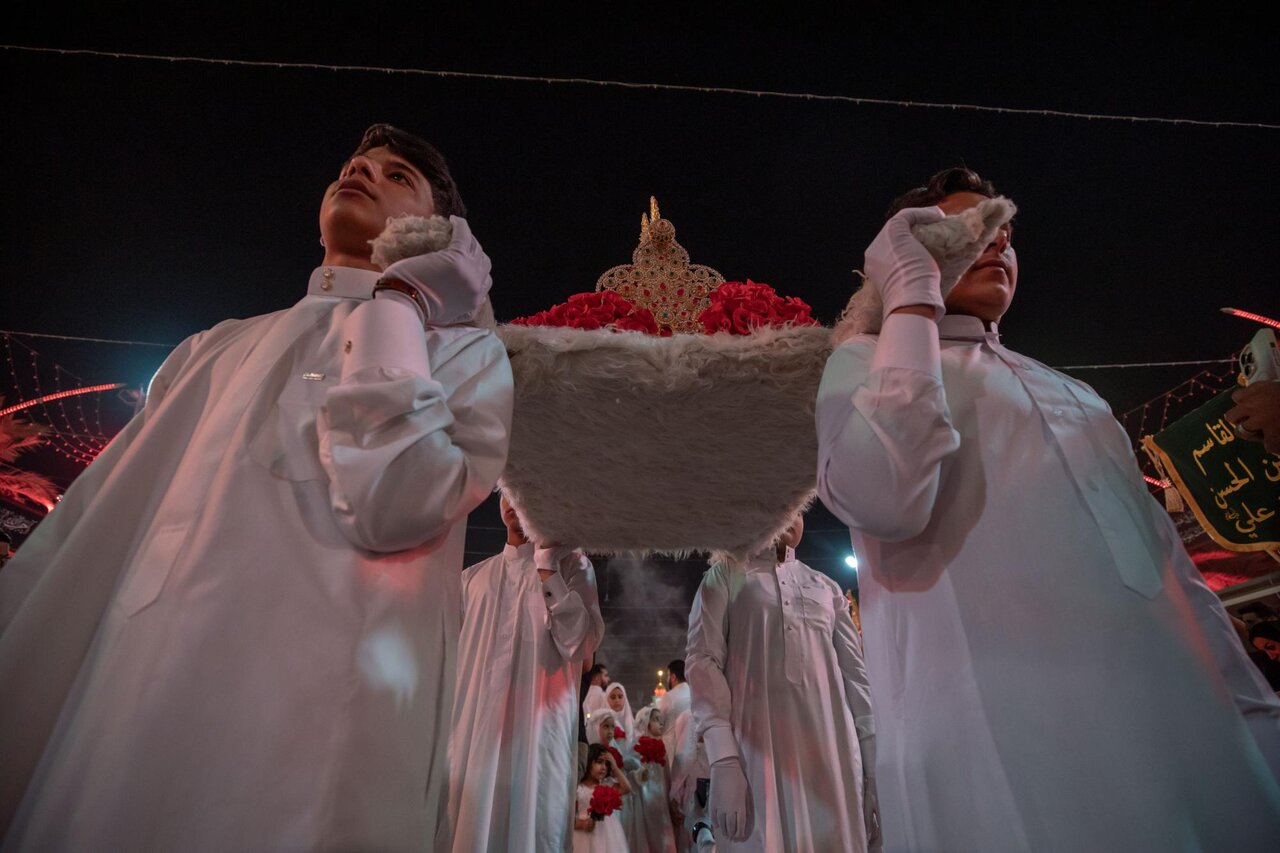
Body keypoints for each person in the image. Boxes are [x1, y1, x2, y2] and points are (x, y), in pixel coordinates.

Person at [0, 124, 514, 851]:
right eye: (357, 163)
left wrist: (400, 304)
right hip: (133, 689)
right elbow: (94, 529)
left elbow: (397, 498)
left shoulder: (463, 353)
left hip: (316, 724)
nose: (364, 171)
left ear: (442, 234)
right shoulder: (211, 347)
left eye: (398, 175)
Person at [816, 166, 1280, 851]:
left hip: (1166, 716)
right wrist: (909, 300)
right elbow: (885, 497)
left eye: (1004, 231)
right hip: (1003, 740)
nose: (999, 243)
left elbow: (1169, 572)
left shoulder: (1078, 395)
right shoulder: (862, 364)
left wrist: (1252, 709)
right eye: (969, 230)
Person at [686, 516, 876, 852]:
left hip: (833, 756)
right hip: (755, 757)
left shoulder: (826, 587)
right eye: (784, 506)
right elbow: (702, 663)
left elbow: (856, 676)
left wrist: (874, 768)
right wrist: (723, 757)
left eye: (799, 510)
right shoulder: (726, 575)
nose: (791, 516)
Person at [447, 495, 604, 852]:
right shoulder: (472, 579)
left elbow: (580, 648)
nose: (515, 502)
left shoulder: (573, 568)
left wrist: (548, 569)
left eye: (526, 492)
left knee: (533, 828)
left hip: (539, 739)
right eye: (508, 492)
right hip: (475, 733)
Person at [623, 705, 678, 853]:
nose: (661, 723)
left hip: (661, 798)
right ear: (646, 723)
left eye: (661, 720)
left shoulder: (663, 746)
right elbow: (628, 767)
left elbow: (667, 775)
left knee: (662, 835)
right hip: (643, 798)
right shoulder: (637, 744)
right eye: (656, 720)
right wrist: (639, 774)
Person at [573, 743, 633, 853]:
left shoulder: (607, 784)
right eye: (599, 762)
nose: (604, 767)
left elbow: (627, 788)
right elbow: (570, 818)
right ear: (588, 762)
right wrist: (582, 824)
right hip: (585, 835)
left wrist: (615, 768)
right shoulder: (579, 789)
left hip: (608, 835)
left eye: (607, 764)